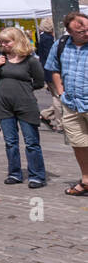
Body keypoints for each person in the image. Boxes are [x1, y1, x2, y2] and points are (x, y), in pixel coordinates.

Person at [0, 26, 45, 188]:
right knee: (10, 142)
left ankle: (37, 175)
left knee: (31, 142)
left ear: (17, 40)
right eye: (1, 42)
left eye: (7, 41)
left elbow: (39, 82)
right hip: (4, 105)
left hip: (25, 105)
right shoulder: (1, 59)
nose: (4, 45)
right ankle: (14, 173)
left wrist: (24, 90)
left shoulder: (31, 61)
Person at [46, 11, 88, 196]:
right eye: (81, 31)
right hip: (71, 104)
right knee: (79, 144)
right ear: (70, 32)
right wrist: (60, 91)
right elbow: (53, 68)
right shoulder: (61, 44)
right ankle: (86, 180)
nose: (86, 33)